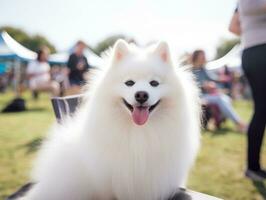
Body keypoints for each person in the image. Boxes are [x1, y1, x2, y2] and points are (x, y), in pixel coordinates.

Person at [229, 0, 266, 181]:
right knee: (262, 110)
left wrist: (252, 30)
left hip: (251, 51)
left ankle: (253, 166)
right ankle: (252, 167)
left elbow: (233, 27)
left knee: (262, 110)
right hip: (260, 52)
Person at [191, 50, 246, 132]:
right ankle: (239, 123)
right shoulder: (191, 71)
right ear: (196, 57)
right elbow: (191, 87)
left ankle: (218, 121)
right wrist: (203, 86)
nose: (204, 57)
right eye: (202, 55)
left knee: (226, 98)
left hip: (207, 95)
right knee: (220, 99)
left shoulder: (203, 69)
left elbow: (213, 79)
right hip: (198, 97)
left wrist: (223, 79)